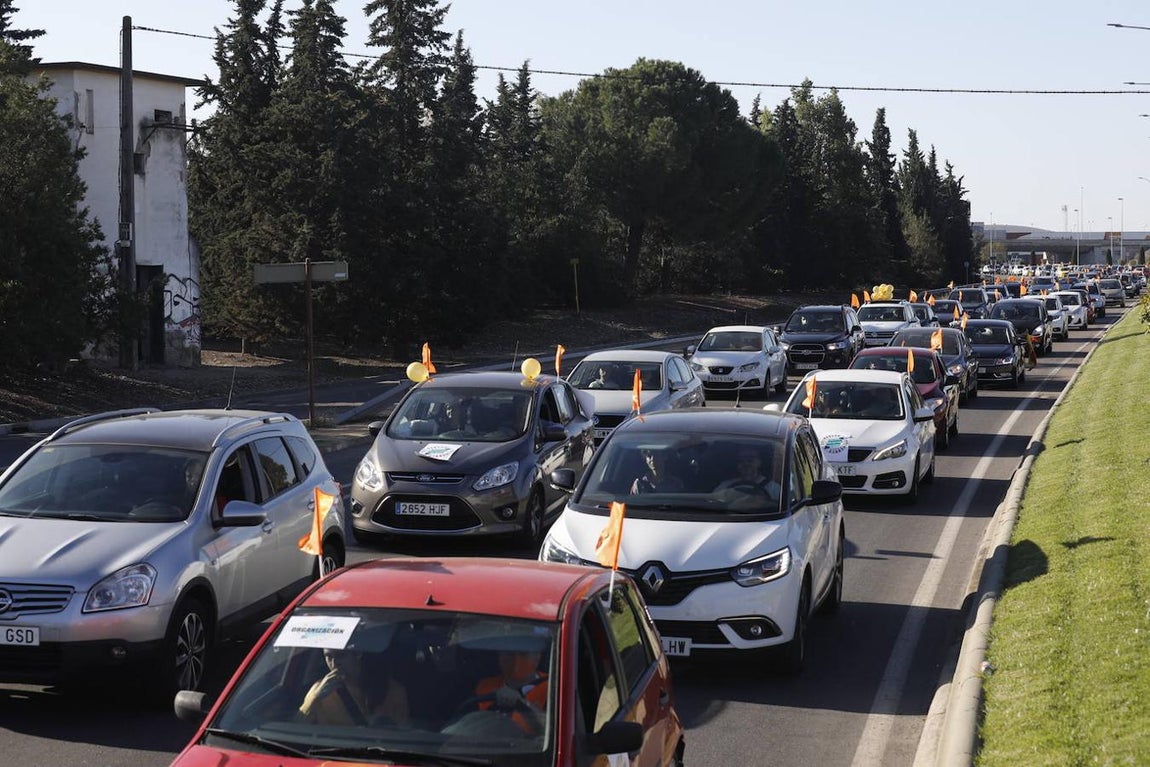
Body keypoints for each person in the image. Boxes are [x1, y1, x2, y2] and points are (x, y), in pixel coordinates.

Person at [299, 648, 409, 727]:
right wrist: (315, 698)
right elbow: (296, 726)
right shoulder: (318, 691)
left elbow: (404, 731)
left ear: (358, 654)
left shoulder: (393, 690)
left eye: (341, 656)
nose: (334, 663)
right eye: (328, 656)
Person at [474, 647, 548, 734]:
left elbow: (554, 733)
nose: (516, 660)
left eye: (523, 654)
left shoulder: (555, 686)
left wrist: (523, 704)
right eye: (509, 654)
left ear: (537, 656)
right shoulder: (484, 687)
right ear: (499, 656)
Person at [714, 448, 781, 501]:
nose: (746, 464)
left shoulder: (774, 489)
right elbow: (712, 501)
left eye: (750, 460)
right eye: (741, 461)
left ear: (759, 462)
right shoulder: (725, 486)